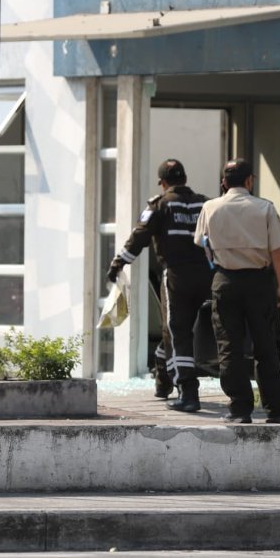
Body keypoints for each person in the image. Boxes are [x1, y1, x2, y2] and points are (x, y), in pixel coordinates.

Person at [193, 158, 280, 424]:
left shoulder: (209, 207)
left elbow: (202, 244)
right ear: (250, 180)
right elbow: (277, 251)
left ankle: (239, 408)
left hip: (225, 281)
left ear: (224, 182)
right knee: (265, 347)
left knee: (229, 347)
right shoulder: (264, 208)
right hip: (259, 283)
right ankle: (275, 410)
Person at [108, 159, 213, 412]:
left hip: (177, 277)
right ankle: (162, 376)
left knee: (177, 331)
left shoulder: (160, 205)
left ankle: (187, 393)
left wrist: (118, 263)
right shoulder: (205, 203)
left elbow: (139, 236)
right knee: (180, 333)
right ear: (185, 179)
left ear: (163, 183)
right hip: (208, 277)